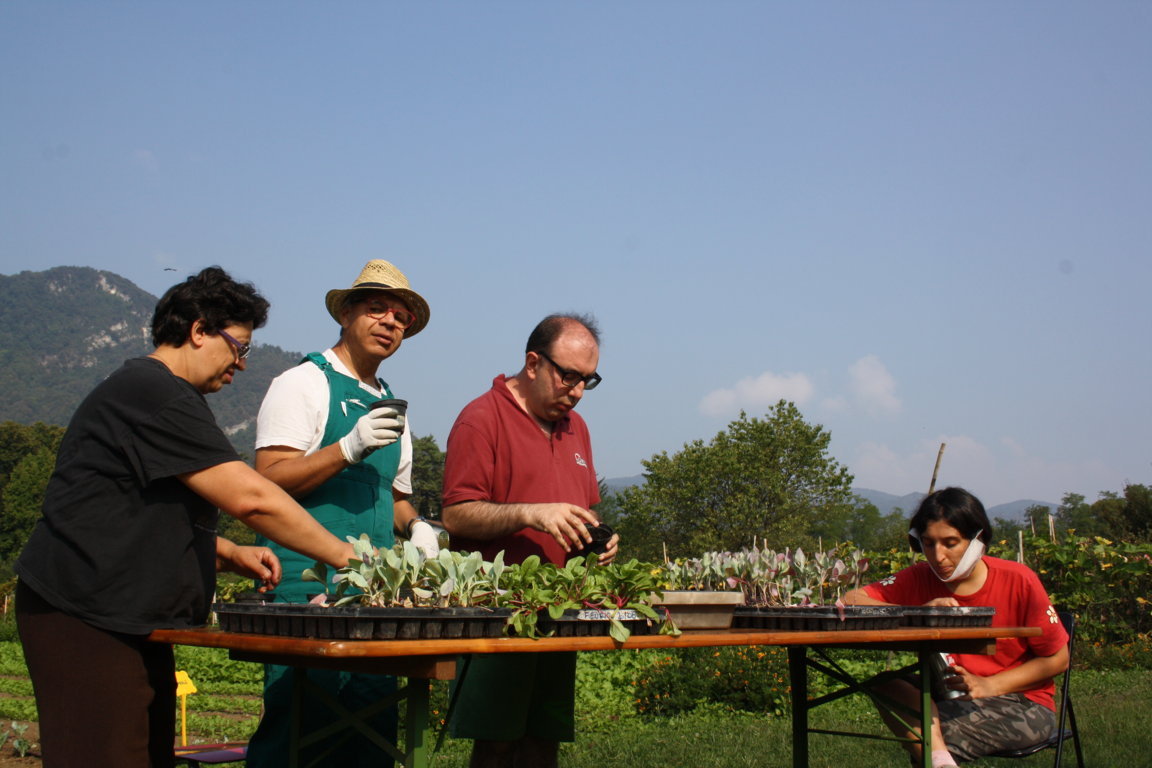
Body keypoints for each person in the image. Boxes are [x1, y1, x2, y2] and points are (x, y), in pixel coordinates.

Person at [15, 267, 360, 768]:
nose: (242, 364)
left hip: (122, 617)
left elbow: (130, 511)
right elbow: (253, 499)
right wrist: (348, 557)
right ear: (199, 331)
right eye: (239, 347)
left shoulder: (157, 394)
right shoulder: (154, 393)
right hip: (83, 614)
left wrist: (226, 553)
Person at [245, 259, 438, 768]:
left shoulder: (393, 406)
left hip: (373, 593)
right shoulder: (302, 383)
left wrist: (417, 526)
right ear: (346, 314)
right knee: (298, 727)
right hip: (303, 586)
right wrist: (346, 448)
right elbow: (266, 480)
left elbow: (393, 496)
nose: (390, 322)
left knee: (371, 730)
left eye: (401, 317)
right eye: (376, 308)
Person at [441, 312, 619, 768]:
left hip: (560, 610)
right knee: (497, 743)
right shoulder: (481, 419)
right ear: (534, 363)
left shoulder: (576, 428)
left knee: (544, 739)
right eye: (569, 376)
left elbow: (582, 509)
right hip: (499, 611)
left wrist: (599, 538)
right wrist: (530, 513)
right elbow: (456, 515)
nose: (577, 392)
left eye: (588, 381)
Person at [843, 487, 1069, 767]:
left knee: (927, 735)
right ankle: (939, 758)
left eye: (950, 543)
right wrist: (916, 612)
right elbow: (851, 600)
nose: (937, 556)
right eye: (928, 543)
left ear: (977, 540)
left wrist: (989, 685)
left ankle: (937, 755)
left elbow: (1059, 659)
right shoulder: (919, 577)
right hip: (948, 690)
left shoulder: (1019, 580)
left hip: (1022, 702)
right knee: (886, 686)